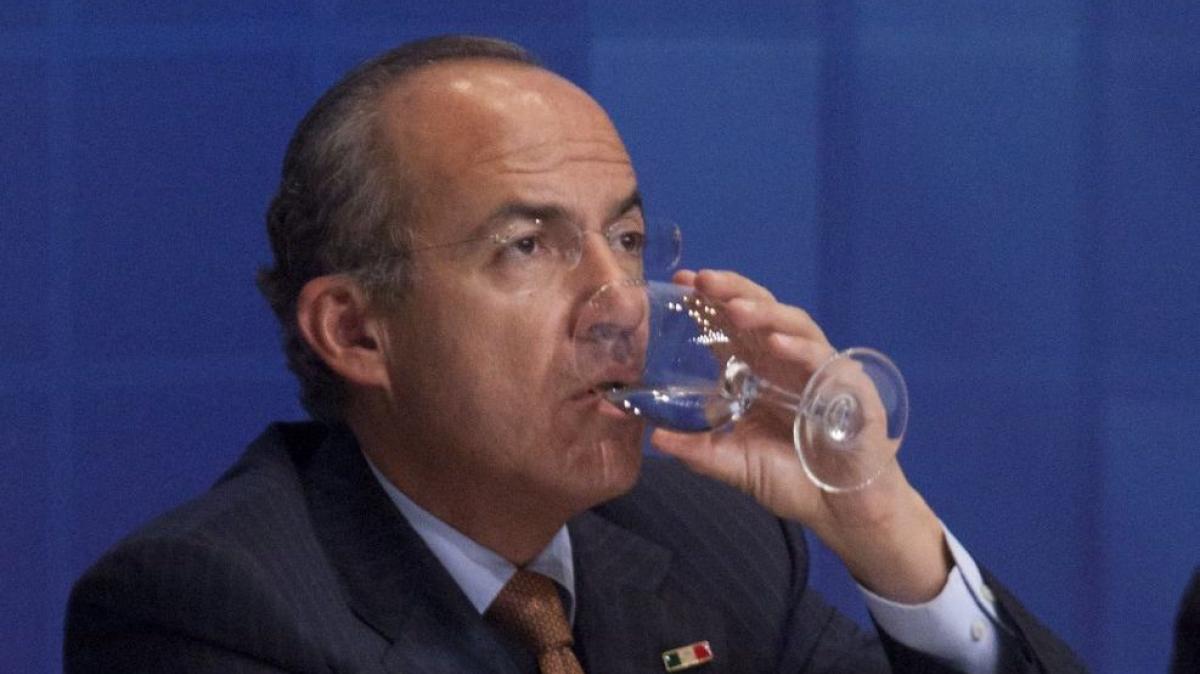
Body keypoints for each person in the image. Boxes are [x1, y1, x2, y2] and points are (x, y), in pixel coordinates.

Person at [64, 35, 1086, 673]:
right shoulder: (208, 605)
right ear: (357, 331)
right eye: (528, 246)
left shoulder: (713, 541)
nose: (621, 304)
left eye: (628, 239)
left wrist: (877, 516)